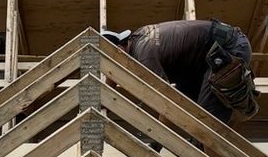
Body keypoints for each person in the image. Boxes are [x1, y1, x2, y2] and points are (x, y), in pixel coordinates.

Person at [105, 20, 258, 124]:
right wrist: (102, 100)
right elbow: (112, 73)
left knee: (207, 118)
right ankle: (199, 148)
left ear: (119, 50)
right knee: (187, 100)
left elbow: (167, 102)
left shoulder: (145, 57)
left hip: (228, 48)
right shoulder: (138, 38)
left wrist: (156, 141)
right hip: (200, 62)